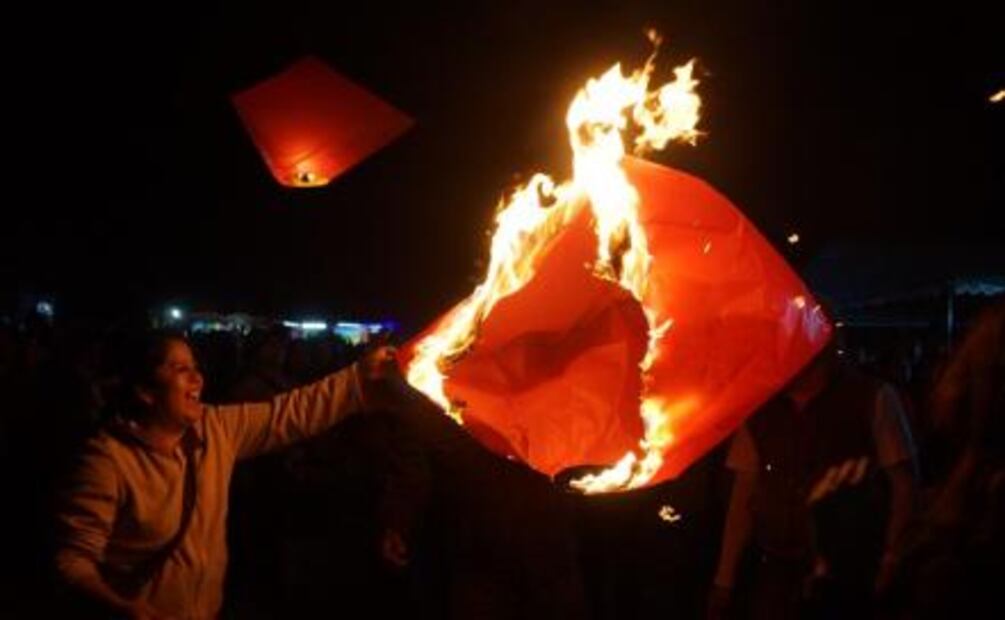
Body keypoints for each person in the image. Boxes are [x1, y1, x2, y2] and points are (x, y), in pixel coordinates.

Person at [54, 329, 398, 619]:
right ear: (145, 391)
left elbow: (291, 413)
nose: (197, 377)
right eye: (179, 369)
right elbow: (73, 561)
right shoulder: (107, 460)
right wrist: (121, 608)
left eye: (195, 366)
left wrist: (359, 378)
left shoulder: (215, 429)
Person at [709, 339, 918, 619]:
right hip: (776, 567)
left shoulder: (872, 397)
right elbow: (744, 493)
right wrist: (725, 577)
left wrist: (892, 558)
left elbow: (904, 484)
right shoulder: (762, 407)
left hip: (848, 573)